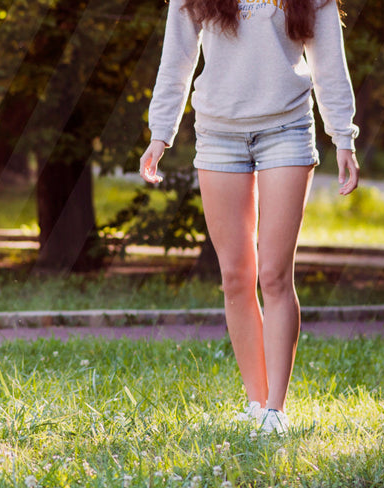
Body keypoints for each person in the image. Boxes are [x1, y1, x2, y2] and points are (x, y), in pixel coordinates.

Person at [138, 0, 361, 434]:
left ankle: (276, 411)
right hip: (218, 134)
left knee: (275, 275)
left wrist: (343, 136)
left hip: (287, 131)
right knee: (237, 277)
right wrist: (159, 135)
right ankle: (257, 405)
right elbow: (177, 61)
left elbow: (329, 62)